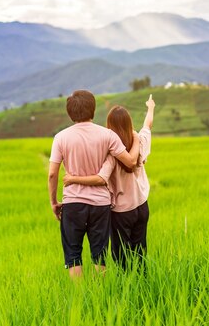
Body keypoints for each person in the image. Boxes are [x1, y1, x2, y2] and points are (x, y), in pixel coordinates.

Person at [48, 90, 140, 278]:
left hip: (73, 202)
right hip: (100, 204)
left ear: (70, 113)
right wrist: (137, 139)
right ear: (93, 109)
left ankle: (81, 300)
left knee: (73, 255)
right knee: (100, 255)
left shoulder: (61, 137)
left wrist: (54, 202)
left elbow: (52, 174)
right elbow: (130, 162)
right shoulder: (107, 135)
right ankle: (100, 295)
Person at [64, 94, 155, 270]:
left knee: (121, 257)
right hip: (142, 206)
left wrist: (72, 178)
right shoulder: (140, 141)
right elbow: (148, 124)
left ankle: (126, 290)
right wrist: (150, 107)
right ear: (129, 124)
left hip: (120, 212)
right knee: (140, 252)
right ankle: (142, 285)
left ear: (109, 127)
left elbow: (101, 179)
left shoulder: (110, 153)